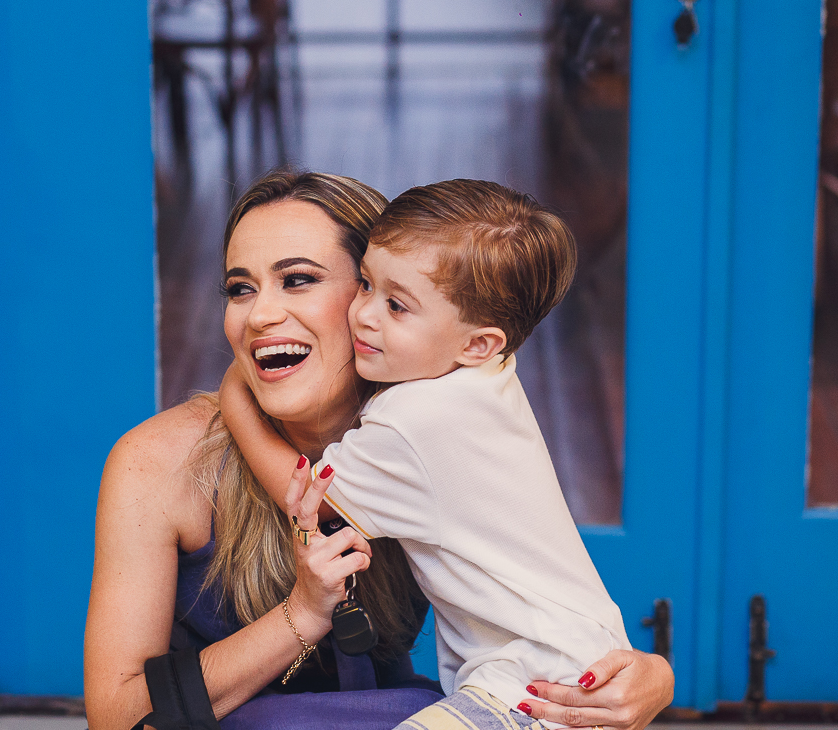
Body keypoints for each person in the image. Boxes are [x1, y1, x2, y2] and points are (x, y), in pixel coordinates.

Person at [83, 170, 674, 730]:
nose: (260, 315)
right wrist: (301, 617)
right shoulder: (158, 461)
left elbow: (538, 576)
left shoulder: (425, 427)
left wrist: (651, 677)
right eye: (240, 289)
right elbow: (117, 715)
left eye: (299, 279)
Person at [220, 179, 631, 730]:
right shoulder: (485, 378)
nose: (365, 315)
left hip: (531, 682)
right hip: (574, 655)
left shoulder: (413, 420)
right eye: (365, 284)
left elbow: (312, 501)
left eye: (397, 306)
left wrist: (235, 400)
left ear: (477, 343)